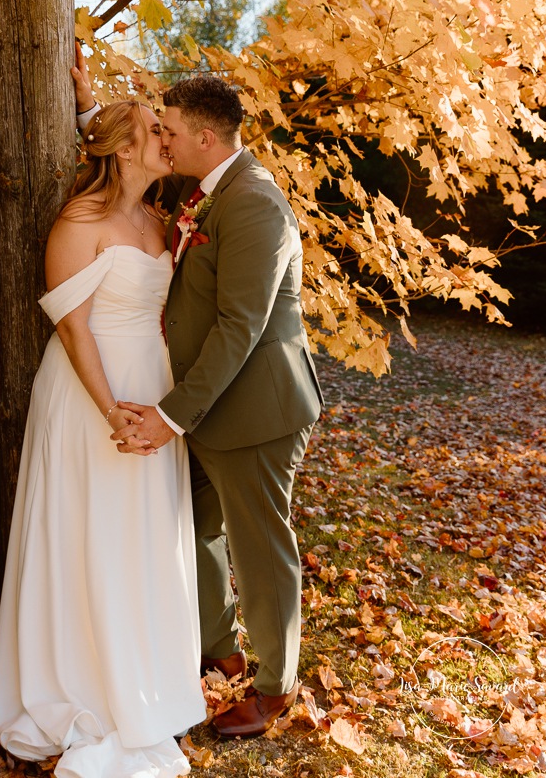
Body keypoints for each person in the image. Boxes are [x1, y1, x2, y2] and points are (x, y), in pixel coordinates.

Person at [75, 62, 323, 738]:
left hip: (257, 410)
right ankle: (220, 650)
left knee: (259, 547)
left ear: (205, 140)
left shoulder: (254, 203)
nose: (164, 140)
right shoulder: (206, 182)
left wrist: (168, 415)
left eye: (172, 131)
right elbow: (126, 160)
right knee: (197, 530)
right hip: (205, 407)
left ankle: (275, 689)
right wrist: (88, 113)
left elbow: (240, 326)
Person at [0, 97, 207, 778]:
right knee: (90, 532)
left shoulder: (159, 218)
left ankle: (143, 679)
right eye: (153, 132)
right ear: (120, 147)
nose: (165, 140)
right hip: (91, 393)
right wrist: (111, 409)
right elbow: (73, 327)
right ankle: (83, 687)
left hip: (155, 390)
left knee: (141, 534)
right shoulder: (79, 220)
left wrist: (162, 409)